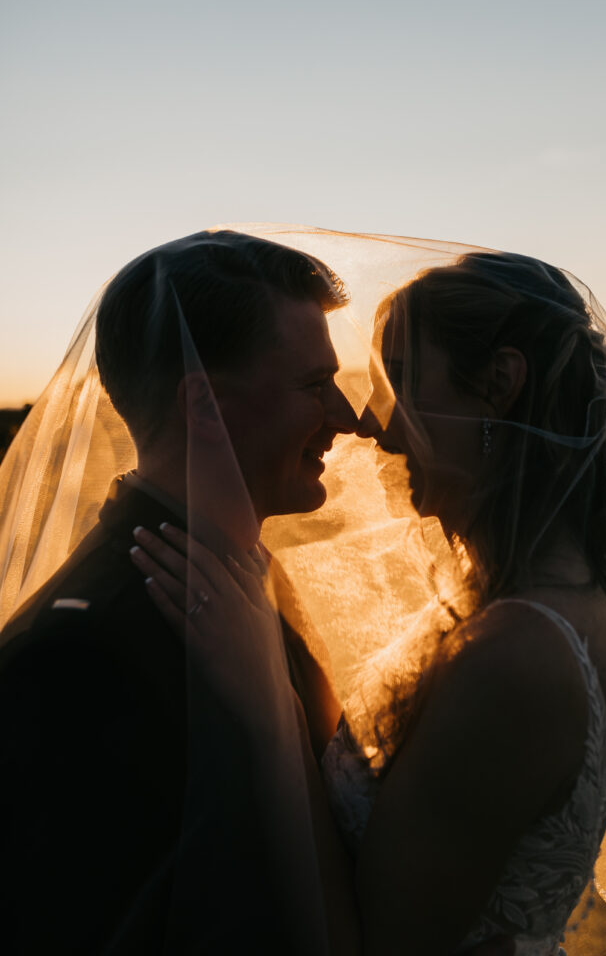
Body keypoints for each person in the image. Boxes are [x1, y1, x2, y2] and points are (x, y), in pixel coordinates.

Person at [135, 241, 606, 955]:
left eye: (398, 384)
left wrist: (267, 713)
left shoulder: (519, 654)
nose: (372, 426)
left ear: (498, 384)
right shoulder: (539, 604)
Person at [0, 230, 361, 954]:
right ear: (202, 402)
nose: (346, 415)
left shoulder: (240, 576)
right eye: (312, 385)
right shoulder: (80, 652)